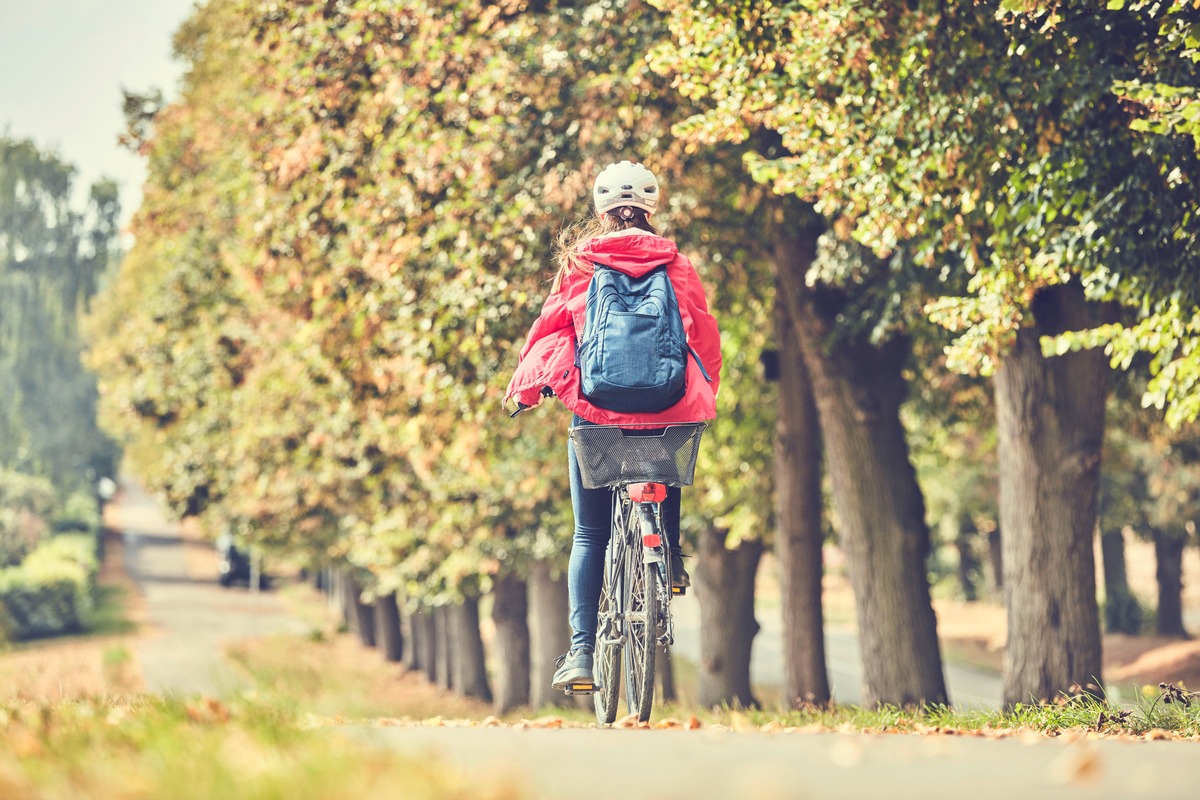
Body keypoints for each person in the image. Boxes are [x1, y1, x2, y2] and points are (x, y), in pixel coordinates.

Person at [505, 160, 722, 692]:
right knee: (668, 455)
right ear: (651, 209)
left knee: (589, 532)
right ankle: (668, 557)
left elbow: (549, 329)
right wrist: (704, 389)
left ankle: (582, 654)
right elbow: (704, 336)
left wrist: (526, 387)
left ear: (601, 212)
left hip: (597, 411)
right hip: (668, 407)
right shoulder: (678, 265)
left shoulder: (580, 265)